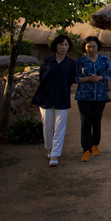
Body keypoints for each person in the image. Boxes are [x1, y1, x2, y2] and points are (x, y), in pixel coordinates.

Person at [31, 34, 77, 167]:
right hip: (46, 98)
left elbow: (72, 80)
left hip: (62, 98)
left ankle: (55, 154)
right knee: (47, 126)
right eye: (61, 44)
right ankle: (50, 149)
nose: (64, 47)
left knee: (60, 127)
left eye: (66, 45)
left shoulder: (71, 64)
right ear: (55, 46)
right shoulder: (46, 62)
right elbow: (42, 79)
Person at [75, 36, 111, 162]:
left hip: (100, 95)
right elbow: (75, 78)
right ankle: (86, 150)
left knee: (96, 121)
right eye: (89, 46)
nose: (91, 49)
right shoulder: (80, 61)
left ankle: (95, 145)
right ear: (85, 48)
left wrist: (100, 78)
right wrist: (87, 79)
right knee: (85, 122)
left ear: (98, 47)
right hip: (84, 96)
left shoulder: (104, 59)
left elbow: (110, 75)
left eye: (94, 46)